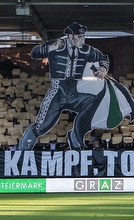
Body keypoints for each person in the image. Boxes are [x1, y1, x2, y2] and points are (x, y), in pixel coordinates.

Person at [18, 22, 110, 150]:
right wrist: (50, 48)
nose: (82, 40)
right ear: (70, 36)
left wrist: (103, 68)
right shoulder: (57, 45)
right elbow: (35, 53)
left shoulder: (86, 50)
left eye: (83, 36)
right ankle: (23, 150)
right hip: (57, 92)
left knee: (96, 105)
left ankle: (75, 136)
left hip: (74, 92)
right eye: (79, 37)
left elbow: (103, 57)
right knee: (41, 126)